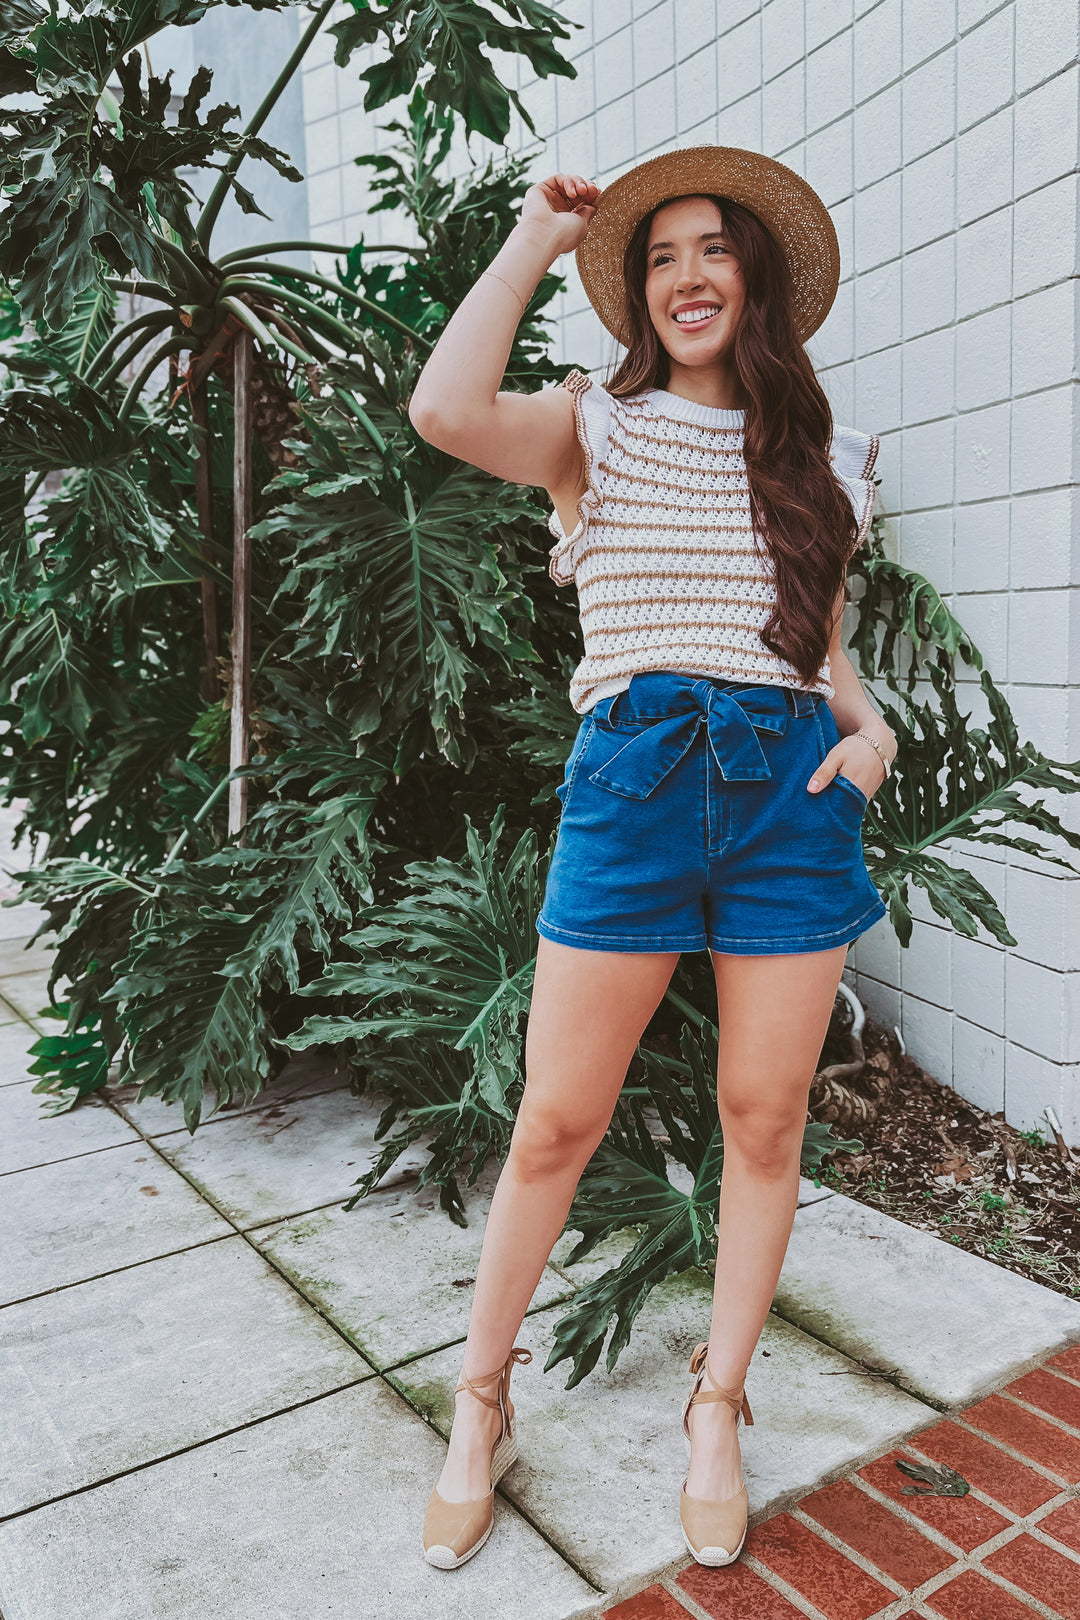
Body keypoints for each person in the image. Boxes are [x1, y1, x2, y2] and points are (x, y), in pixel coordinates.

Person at [407, 144, 896, 1573]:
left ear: (758, 282)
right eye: (662, 254)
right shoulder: (587, 431)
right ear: (638, 292)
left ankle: (717, 1403)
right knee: (557, 1120)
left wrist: (866, 743)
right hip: (632, 786)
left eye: (713, 251)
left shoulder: (830, 466)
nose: (688, 274)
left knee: (763, 1120)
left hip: (787, 804)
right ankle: (480, 1400)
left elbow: (832, 655)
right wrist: (531, 245)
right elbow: (441, 410)